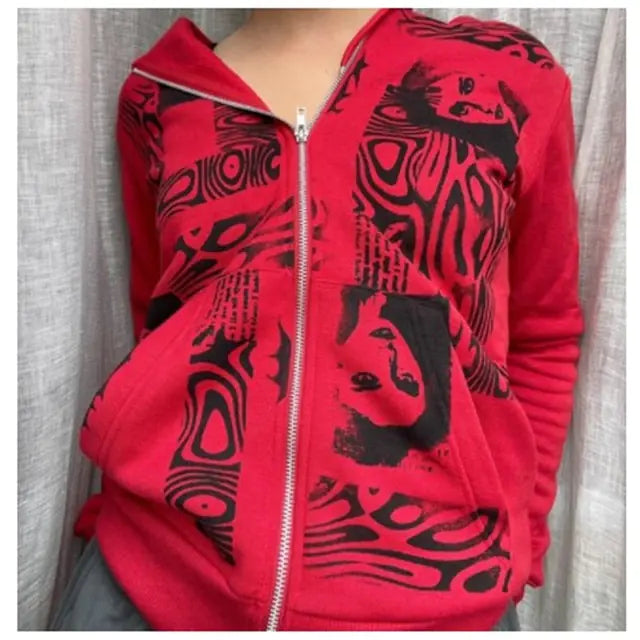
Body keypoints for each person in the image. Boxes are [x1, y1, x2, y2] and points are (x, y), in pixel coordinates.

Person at [49, 7, 584, 631]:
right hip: (149, 580)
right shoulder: (160, 94)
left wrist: (520, 540)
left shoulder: (506, 76)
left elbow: (544, 330)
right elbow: (161, 323)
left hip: (437, 595)